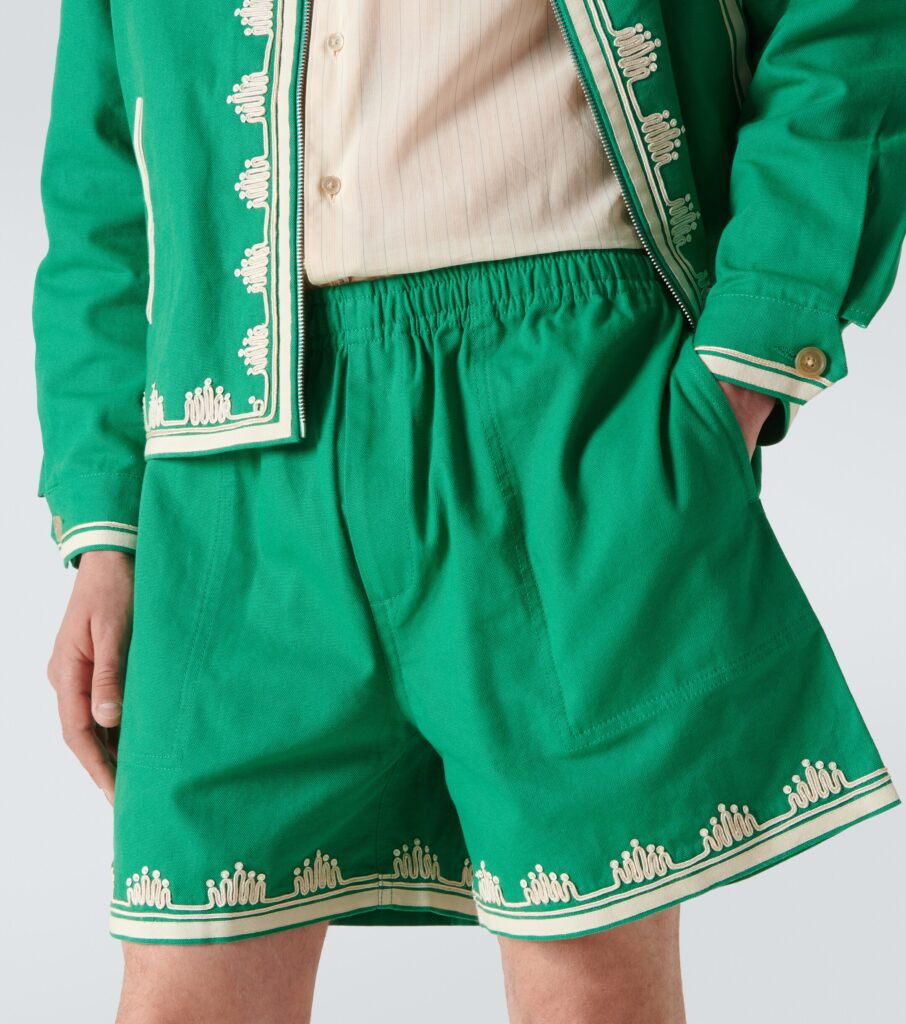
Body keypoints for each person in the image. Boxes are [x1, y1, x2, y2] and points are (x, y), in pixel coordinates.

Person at [32, 1, 904, 1021]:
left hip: (570, 398)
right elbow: (99, 170)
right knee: (184, 983)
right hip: (229, 449)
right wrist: (105, 524)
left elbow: (846, 24)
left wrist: (753, 352)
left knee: (588, 985)